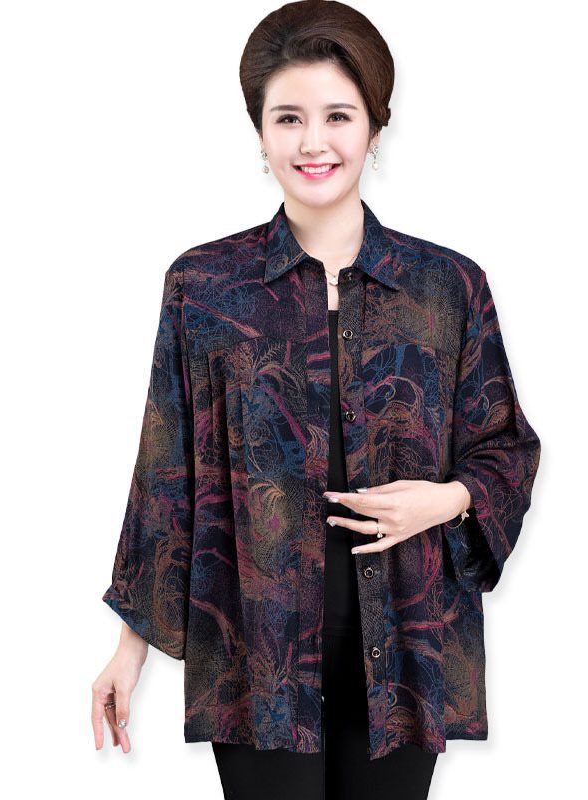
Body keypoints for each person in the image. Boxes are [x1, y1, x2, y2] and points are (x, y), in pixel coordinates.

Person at [91, 2, 541, 798]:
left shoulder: (446, 287)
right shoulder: (205, 287)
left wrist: (444, 500)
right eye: (288, 118)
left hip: (406, 649)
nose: (312, 142)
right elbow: (167, 471)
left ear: (375, 127)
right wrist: (128, 651)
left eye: (338, 116)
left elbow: (505, 445)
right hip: (254, 653)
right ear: (260, 133)